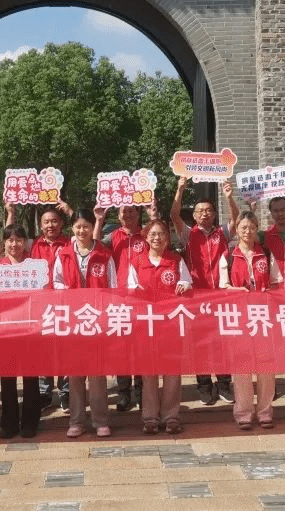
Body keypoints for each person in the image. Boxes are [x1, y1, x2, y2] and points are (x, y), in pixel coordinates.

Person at [170, 176, 240, 405]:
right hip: (197, 297)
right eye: (200, 211)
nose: (204, 214)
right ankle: (204, 385)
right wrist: (180, 190)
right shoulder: (189, 234)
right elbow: (174, 216)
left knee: (222, 342)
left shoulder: (222, 233)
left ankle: (224, 384)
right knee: (200, 343)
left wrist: (229, 197)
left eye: (208, 210)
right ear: (194, 215)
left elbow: (236, 218)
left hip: (220, 295)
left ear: (214, 214)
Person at [53, 209, 116, 438]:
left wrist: (107, 314)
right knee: (75, 373)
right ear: (72, 228)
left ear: (92, 227)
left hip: (96, 320)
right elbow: (56, 282)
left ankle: (100, 421)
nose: (82, 231)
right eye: (78, 227)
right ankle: (77, 421)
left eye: (86, 226)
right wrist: (69, 295)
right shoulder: (63, 254)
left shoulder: (104, 254)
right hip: (72, 320)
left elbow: (113, 285)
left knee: (97, 374)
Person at [126, 219, 192, 434]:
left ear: (167, 238)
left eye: (161, 234)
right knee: (149, 373)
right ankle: (150, 417)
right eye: (153, 234)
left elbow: (187, 282)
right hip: (146, 326)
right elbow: (129, 289)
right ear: (146, 237)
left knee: (172, 371)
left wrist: (184, 284)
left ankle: (171, 416)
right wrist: (135, 292)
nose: (157, 238)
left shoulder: (176, 260)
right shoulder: (136, 262)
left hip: (170, 325)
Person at [8, 199, 73, 408]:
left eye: (54, 221)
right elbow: (10, 239)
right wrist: (11, 212)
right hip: (40, 305)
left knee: (64, 348)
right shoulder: (33, 244)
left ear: (61, 223)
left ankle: (66, 391)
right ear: (40, 225)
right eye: (46, 222)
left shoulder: (70, 243)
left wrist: (70, 211)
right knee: (43, 349)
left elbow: (86, 229)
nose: (50, 225)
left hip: (64, 303)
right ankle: (44, 391)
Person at [93, 202, 157, 411]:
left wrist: (153, 215)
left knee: (141, 347)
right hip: (119, 299)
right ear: (118, 216)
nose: (128, 215)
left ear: (138, 214)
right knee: (121, 348)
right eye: (124, 212)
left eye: (131, 211)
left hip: (143, 299)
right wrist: (99, 220)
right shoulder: (113, 237)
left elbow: (160, 240)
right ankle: (124, 393)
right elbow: (94, 246)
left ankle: (141, 392)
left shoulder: (146, 234)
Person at [220, 211, 281, 430]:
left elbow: (277, 282)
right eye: (243, 227)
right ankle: (244, 413)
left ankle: (265, 412)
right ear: (237, 229)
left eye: (252, 227)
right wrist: (236, 291)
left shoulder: (265, 253)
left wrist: (267, 293)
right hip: (239, 317)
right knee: (242, 368)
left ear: (257, 229)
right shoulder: (228, 254)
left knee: (266, 368)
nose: (248, 231)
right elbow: (222, 286)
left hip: (263, 318)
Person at [0, 224, 43, 439]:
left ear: (25, 243)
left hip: (30, 329)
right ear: (4, 243)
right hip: (5, 330)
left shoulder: (36, 267)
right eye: (10, 240)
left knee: (30, 377)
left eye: (19, 240)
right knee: (7, 378)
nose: (14, 244)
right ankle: (9, 422)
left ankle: (30, 422)